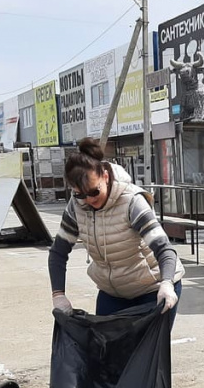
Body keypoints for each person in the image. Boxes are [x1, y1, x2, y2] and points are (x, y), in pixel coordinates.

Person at [49, 138, 184, 323]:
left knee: (145, 351)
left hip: (153, 289)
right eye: (80, 194)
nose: (88, 200)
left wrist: (167, 283)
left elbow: (164, 249)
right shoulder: (76, 206)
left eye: (94, 192)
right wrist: (58, 294)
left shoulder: (131, 202)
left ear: (105, 176)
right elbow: (58, 252)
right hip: (112, 293)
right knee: (107, 349)